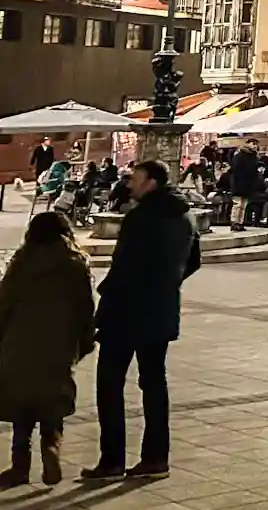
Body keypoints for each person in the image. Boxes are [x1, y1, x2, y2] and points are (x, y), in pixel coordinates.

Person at [82, 161, 199, 482]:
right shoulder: (185, 216)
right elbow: (194, 262)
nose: (130, 184)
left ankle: (112, 460)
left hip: (126, 312)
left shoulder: (141, 218)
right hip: (160, 310)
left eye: (135, 179)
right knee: (153, 383)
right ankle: (156, 457)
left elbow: (124, 268)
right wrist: (168, 284)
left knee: (109, 383)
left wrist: (102, 307)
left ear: (151, 182)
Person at [0, 211, 96, 487]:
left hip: (19, 340)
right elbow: (85, 306)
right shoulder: (76, 263)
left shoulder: (22, 262)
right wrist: (84, 340)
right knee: (52, 398)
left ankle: (20, 465)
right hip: (60, 342)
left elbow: (4, 301)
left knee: (21, 402)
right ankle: (51, 447)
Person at [226, 144, 262, 230]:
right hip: (245, 184)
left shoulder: (240, 157)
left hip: (239, 184)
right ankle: (237, 222)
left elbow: (234, 168)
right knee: (241, 205)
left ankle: (236, 222)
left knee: (239, 204)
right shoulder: (251, 158)